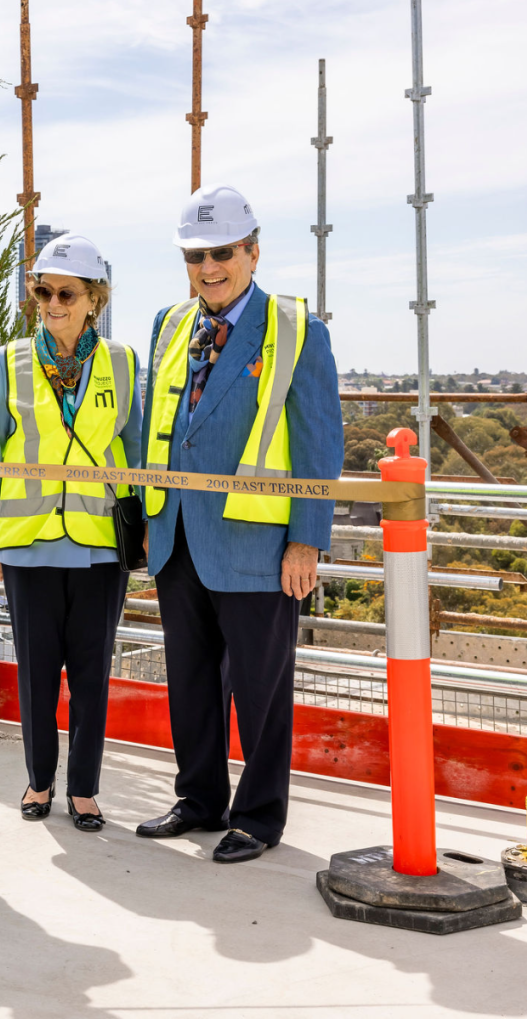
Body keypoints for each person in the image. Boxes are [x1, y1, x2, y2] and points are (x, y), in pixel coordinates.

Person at [135, 184, 342, 863]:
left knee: (260, 690)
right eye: (196, 256)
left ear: (253, 252)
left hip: (258, 543)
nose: (208, 268)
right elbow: (156, 436)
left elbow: (318, 442)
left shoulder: (296, 331)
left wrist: (307, 538)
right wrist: (148, 518)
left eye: (222, 253)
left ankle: (257, 816)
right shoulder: (171, 324)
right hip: (179, 537)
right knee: (190, 682)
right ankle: (198, 799)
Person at [0, 234, 140, 831]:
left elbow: (135, 448)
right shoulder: (7, 361)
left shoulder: (122, 362)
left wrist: (138, 533)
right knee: (37, 673)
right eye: (41, 291)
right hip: (28, 541)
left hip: (99, 545)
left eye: (65, 293)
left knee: (92, 674)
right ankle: (39, 781)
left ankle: (86, 790)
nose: (51, 302)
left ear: (93, 298)